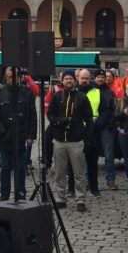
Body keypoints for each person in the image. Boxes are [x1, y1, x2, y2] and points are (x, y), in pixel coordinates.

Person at [47, 69, 93, 212]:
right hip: (59, 140)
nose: (68, 81)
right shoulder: (57, 96)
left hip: (76, 141)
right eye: (66, 79)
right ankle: (61, 198)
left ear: (75, 80)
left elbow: (89, 120)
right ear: (62, 81)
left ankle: (80, 199)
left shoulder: (82, 98)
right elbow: (50, 115)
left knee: (78, 173)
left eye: (71, 79)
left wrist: (87, 139)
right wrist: (60, 122)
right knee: (60, 173)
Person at [0, 66, 36, 201]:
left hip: (21, 137)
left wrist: (31, 136)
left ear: (20, 77)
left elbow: (32, 116)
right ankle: (4, 195)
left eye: (15, 76)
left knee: (21, 169)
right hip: (5, 137)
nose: (13, 79)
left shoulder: (27, 93)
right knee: (5, 169)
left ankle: (21, 193)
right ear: (6, 77)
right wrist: (2, 131)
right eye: (10, 77)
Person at [82, 69, 115, 196]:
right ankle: (86, 181)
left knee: (109, 155)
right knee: (88, 155)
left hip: (106, 127)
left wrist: (103, 123)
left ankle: (110, 179)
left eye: (103, 77)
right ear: (93, 78)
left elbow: (111, 110)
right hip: (90, 128)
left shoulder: (109, 92)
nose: (101, 79)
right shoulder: (89, 91)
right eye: (99, 77)